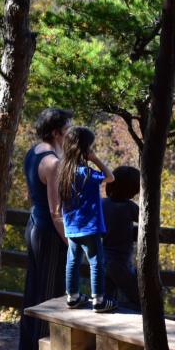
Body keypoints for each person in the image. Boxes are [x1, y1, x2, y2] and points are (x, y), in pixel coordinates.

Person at [16, 108, 71, 350]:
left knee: (34, 290)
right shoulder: (53, 162)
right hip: (49, 231)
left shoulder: (33, 152)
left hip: (34, 225)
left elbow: (31, 196)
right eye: (66, 127)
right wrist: (69, 241)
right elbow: (55, 209)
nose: (69, 131)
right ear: (55, 131)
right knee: (49, 295)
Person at [57, 126, 116, 312]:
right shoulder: (87, 174)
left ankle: (72, 296)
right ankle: (98, 300)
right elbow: (110, 177)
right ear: (85, 150)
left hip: (71, 227)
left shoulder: (63, 172)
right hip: (90, 227)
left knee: (72, 261)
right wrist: (95, 159)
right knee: (96, 262)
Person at [103, 166, 141, 311]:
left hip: (102, 259)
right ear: (132, 190)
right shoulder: (129, 207)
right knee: (137, 298)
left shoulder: (102, 204)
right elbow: (148, 220)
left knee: (105, 300)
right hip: (121, 262)